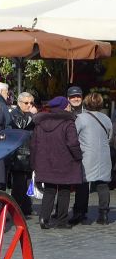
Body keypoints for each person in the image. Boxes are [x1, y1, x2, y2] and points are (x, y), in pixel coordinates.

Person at [31, 95, 83, 229]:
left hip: (46, 162)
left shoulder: (40, 122)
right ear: (65, 107)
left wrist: (34, 163)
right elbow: (73, 143)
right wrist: (78, 156)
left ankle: (43, 218)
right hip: (65, 162)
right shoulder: (68, 122)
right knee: (64, 191)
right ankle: (62, 221)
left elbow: (34, 144)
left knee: (49, 190)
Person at [70, 90, 112, 226]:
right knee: (103, 184)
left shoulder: (81, 118)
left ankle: (80, 212)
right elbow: (110, 137)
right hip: (104, 155)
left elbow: (74, 136)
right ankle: (104, 214)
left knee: (83, 183)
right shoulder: (107, 119)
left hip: (87, 154)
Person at [7, 90, 37, 217]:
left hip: (29, 153)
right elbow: (21, 124)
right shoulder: (14, 113)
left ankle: (26, 207)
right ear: (19, 103)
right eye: (26, 103)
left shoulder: (28, 114)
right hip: (19, 154)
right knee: (18, 185)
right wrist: (31, 114)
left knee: (28, 183)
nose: (29, 105)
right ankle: (16, 208)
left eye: (31, 102)